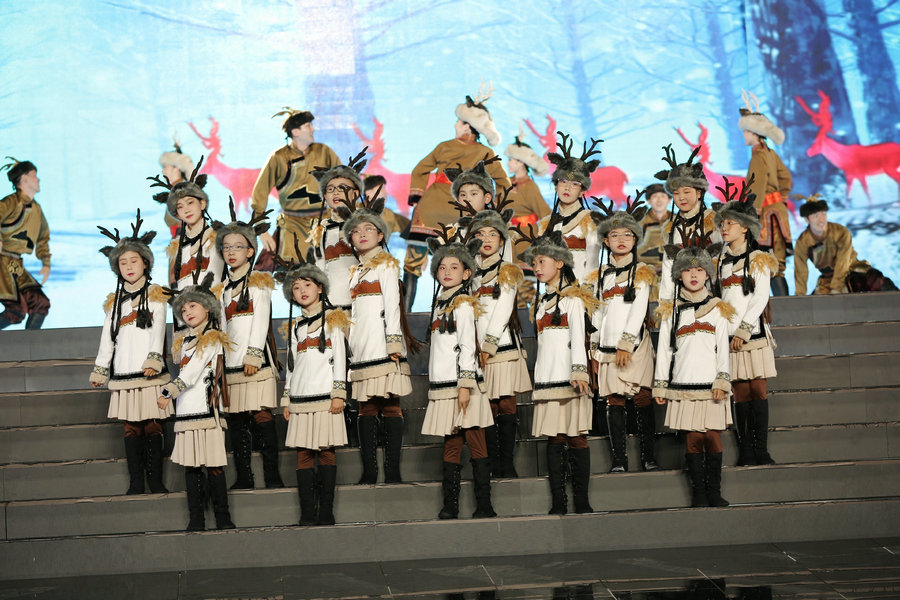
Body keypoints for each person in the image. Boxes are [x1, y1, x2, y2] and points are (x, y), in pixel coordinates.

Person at [90, 210, 173, 494]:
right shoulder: (114, 302)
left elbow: (159, 329)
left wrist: (154, 359)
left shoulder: (156, 294)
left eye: (133, 260)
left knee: (153, 425)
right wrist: (101, 368)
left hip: (149, 373)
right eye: (122, 262)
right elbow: (107, 339)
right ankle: (136, 481)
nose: (128, 266)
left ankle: (156, 480)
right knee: (131, 428)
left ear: (145, 263)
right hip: (124, 373)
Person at [404, 91, 510, 311]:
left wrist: (416, 197)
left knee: (412, 266)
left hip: (430, 212)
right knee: (460, 266)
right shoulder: (485, 152)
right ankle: (460, 313)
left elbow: (419, 170)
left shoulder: (444, 146)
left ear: (467, 127)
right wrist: (490, 206)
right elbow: (503, 182)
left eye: (459, 121)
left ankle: (404, 317)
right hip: (461, 214)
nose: (455, 124)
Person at [341, 194, 419, 484]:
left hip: (383, 346)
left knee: (390, 404)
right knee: (366, 407)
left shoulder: (386, 264)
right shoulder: (356, 272)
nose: (361, 234)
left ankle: (393, 470)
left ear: (380, 235)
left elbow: (392, 305)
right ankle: (370, 471)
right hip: (362, 348)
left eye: (368, 229)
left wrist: (394, 342)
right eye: (356, 231)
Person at [519, 229, 598, 515]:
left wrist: (579, 372)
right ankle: (559, 501)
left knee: (576, 437)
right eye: (534, 263)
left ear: (560, 262)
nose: (537, 267)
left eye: (542, 261)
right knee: (554, 439)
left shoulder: (574, 299)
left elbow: (578, 337)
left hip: (571, 379)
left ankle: (581, 500)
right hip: (548, 378)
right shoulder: (541, 302)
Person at [654, 235, 735, 508]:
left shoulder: (718, 309)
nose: (693, 275)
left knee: (712, 437)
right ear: (679, 275)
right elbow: (665, 350)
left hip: (711, 385)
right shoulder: (671, 311)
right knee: (693, 440)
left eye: (699, 269)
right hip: (683, 383)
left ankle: (714, 492)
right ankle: (698, 493)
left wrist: (722, 380)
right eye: (688, 270)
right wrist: (660, 384)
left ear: (707, 274)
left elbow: (723, 349)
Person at [422, 233, 496, 519]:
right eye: (442, 267)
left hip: (461, 384)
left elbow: (467, 345)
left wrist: (465, 385)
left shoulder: (463, 303)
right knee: (451, 442)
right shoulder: (440, 303)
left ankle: (484, 505)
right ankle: (450, 504)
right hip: (443, 384)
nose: (447, 272)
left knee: (475, 438)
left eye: (454, 267)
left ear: (466, 273)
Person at [211, 205, 284, 489]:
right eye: (227, 247)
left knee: (261, 415)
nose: (231, 252)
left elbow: (261, 320)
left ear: (251, 251)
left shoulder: (259, 281)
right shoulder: (220, 289)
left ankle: (273, 476)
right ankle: (244, 477)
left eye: (238, 246)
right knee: (237, 420)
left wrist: (253, 354)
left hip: (255, 362)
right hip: (230, 364)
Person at [158, 274, 235, 531]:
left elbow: (192, 372)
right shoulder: (185, 341)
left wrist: (169, 391)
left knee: (213, 465)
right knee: (191, 467)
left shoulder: (212, 337)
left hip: (206, 409)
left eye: (193, 305)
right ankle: (196, 518)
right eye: (183, 309)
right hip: (187, 411)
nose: (187, 312)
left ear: (207, 308)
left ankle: (222, 517)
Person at [278, 254, 350, 526]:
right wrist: (287, 397)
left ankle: (326, 511)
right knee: (304, 453)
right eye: (296, 288)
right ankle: (308, 512)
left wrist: (339, 393)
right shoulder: (296, 326)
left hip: (325, 398)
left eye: (307, 285)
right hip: (300, 398)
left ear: (320, 287)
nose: (302, 291)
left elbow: (340, 358)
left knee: (326, 451)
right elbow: (292, 366)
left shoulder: (333, 318)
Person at [588, 197, 659, 473]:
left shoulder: (641, 272)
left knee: (641, 397)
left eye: (627, 235)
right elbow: (597, 312)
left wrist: (626, 344)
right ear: (606, 241)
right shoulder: (601, 275)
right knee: (613, 400)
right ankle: (619, 459)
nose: (621, 240)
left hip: (635, 346)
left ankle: (649, 457)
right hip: (606, 347)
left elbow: (639, 309)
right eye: (614, 235)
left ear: (636, 239)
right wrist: (594, 348)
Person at [713, 178, 778, 466]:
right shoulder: (719, 260)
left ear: (745, 227)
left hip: (752, 334)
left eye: (730, 223)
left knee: (757, 390)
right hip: (729, 336)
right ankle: (746, 451)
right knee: (739, 392)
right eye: (722, 223)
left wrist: (744, 329)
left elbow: (760, 297)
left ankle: (761, 450)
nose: (724, 228)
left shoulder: (758, 258)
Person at [469, 203, 532, 478]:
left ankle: (507, 463)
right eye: (480, 234)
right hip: (477, 349)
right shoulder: (469, 271)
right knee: (488, 405)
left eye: (492, 234)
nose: (486, 239)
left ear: (502, 240)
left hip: (501, 347)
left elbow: (505, 308)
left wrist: (489, 345)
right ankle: (492, 462)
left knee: (506, 403)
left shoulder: (508, 269)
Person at [250, 108, 340, 264]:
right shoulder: (278, 157)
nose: (313, 129)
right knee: (273, 269)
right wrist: (261, 230)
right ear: (295, 132)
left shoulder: (324, 152)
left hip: (324, 223)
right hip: (291, 226)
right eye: (308, 126)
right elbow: (260, 193)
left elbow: (343, 181)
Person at [652, 144, 721, 306]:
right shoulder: (672, 228)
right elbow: (668, 267)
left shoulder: (712, 221)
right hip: (682, 301)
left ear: (699, 192)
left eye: (687, 192)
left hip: (712, 297)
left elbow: (723, 260)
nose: (681, 198)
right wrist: (666, 304)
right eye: (676, 193)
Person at [739, 92, 793, 296]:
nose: (744, 135)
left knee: (764, 259)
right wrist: (782, 198)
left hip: (766, 214)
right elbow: (785, 177)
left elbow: (757, 185)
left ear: (754, 133)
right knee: (778, 260)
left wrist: (754, 211)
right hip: (779, 210)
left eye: (746, 131)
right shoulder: (771, 153)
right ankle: (786, 304)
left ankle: (777, 305)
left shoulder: (758, 157)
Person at [793, 195, 897, 294]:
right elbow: (800, 270)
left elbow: (843, 260)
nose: (821, 220)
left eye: (823, 214)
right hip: (828, 279)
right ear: (806, 219)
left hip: (851, 269)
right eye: (816, 216)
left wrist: (836, 288)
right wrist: (800, 294)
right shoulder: (803, 241)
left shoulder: (840, 231)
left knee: (878, 281)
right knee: (818, 301)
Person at [536, 131, 603, 285]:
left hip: (579, 291)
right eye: (563, 181)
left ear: (582, 191)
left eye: (575, 184)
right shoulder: (545, 224)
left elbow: (592, 263)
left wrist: (587, 292)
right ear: (555, 186)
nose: (567, 188)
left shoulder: (590, 221)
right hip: (552, 292)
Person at [149, 158, 224, 293]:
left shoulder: (215, 239)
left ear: (202, 204)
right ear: (177, 213)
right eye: (180, 207)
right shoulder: (177, 246)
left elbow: (217, 282)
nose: (186, 210)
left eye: (190, 203)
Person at [0, 158, 51, 330]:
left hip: (15, 264)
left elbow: (43, 236)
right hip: (2, 262)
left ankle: (31, 345)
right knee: (15, 310)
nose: (38, 180)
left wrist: (46, 262)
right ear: (24, 179)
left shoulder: (36, 209)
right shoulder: (11, 202)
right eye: (34, 176)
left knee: (40, 303)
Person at [505, 134, 550, 309]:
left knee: (523, 289)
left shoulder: (530, 186)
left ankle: (529, 319)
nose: (508, 163)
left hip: (525, 240)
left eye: (511, 160)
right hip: (508, 240)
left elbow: (545, 213)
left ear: (521, 163)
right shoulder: (507, 183)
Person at [158, 137, 195, 237]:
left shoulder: (183, 192)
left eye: (165, 167)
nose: (163, 171)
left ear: (177, 169)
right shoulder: (177, 191)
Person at [636, 183, 671, 282]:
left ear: (669, 200)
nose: (659, 200)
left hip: (672, 271)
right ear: (648, 200)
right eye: (655, 196)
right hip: (643, 271)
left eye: (663, 196)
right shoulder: (640, 222)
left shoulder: (677, 220)